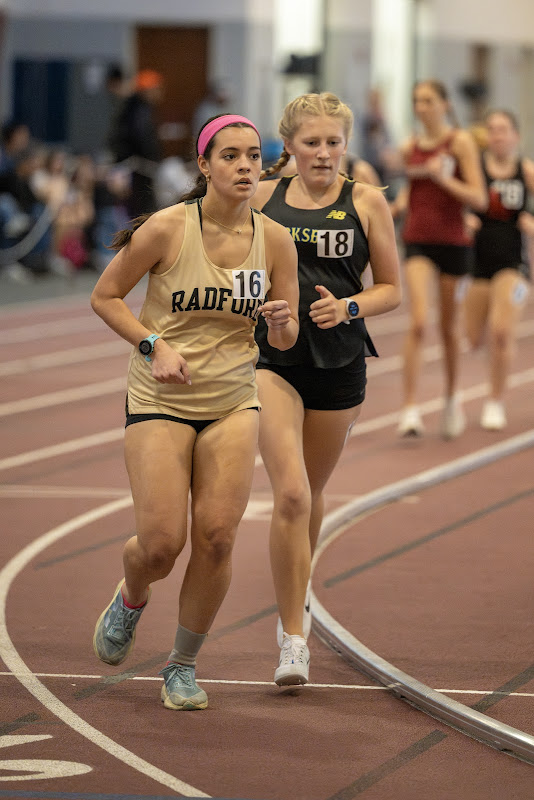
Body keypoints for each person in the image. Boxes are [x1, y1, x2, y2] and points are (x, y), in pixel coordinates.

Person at [90, 114, 299, 710]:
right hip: (160, 398)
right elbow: (105, 296)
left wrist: (284, 325)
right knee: (160, 544)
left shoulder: (274, 239)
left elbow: (283, 338)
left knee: (216, 536)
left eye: (253, 157)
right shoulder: (165, 229)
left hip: (233, 399)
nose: (243, 167)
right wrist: (153, 345)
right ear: (203, 165)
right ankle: (132, 595)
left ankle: (181, 665)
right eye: (229, 156)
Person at [251, 92, 402, 686]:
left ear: (346, 146)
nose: (322, 153)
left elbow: (391, 288)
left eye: (332, 142)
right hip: (273, 359)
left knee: (310, 495)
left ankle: (298, 590)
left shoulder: (365, 201)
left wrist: (349, 307)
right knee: (289, 495)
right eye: (310, 142)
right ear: (288, 145)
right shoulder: (261, 197)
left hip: (339, 363)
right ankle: (292, 636)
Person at [393, 79, 487, 438]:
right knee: (418, 321)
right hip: (417, 240)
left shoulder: (459, 142)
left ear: (445, 104)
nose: (422, 107)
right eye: (417, 101)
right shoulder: (409, 147)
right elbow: (410, 190)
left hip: (454, 243)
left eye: (429, 100)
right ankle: (410, 408)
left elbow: (478, 197)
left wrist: (444, 179)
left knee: (448, 329)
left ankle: (451, 398)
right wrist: (399, 204)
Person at [463, 109, 534, 430]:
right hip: (477, 265)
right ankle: (492, 361)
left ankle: (495, 400)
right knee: (474, 338)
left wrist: (529, 222)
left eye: (504, 129)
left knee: (502, 332)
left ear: (516, 136)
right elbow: (456, 203)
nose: (498, 136)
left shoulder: (526, 171)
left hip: (513, 264)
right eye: (492, 130)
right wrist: (464, 219)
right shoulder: (475, 169)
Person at [108, 69, 164, 218]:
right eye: (157, 89)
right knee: (139, 211)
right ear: (147, 91)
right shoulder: (140, 111)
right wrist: (154, 161)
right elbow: (142, 139)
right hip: (137, 168)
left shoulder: (133, 107)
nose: (159, 93)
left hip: (133, 166)